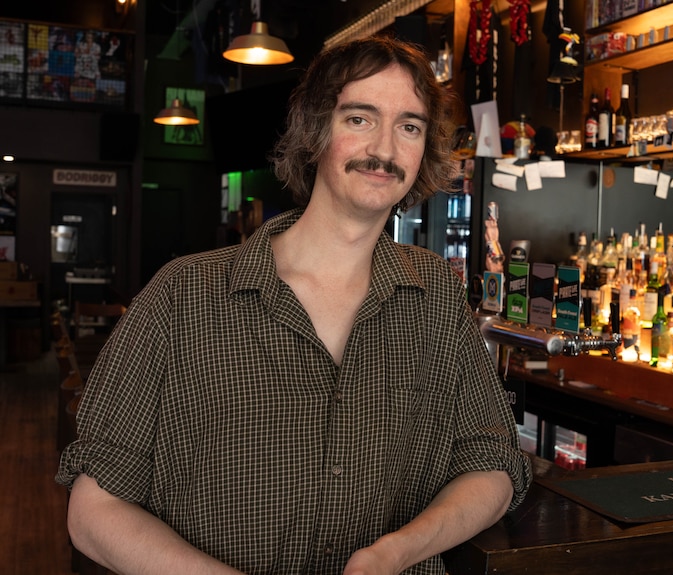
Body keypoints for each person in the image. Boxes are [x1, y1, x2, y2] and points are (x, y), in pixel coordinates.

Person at [56, 35, 531, 575]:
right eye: (359, 118)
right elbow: (94, 510)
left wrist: (396, 553)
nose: (384, 148)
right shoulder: (181, 295)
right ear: (314, 131)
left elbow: (493, 466)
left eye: (409, 126)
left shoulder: (437, 298)